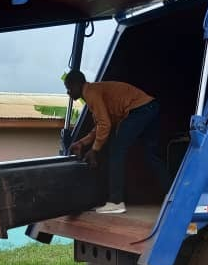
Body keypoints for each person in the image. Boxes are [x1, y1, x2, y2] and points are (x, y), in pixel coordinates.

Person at [64, 70, 166, 214]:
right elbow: (100, 125)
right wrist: (82, 143)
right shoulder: (94, 91)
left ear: (77, 84)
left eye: (69, 88)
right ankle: (171, 195)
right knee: (151, 155)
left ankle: (116, 202)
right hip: (151, 107)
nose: (68, 92)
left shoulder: (91, 93)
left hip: (138, 110)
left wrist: (94, 150)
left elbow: (105, 124)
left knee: (116, 151)